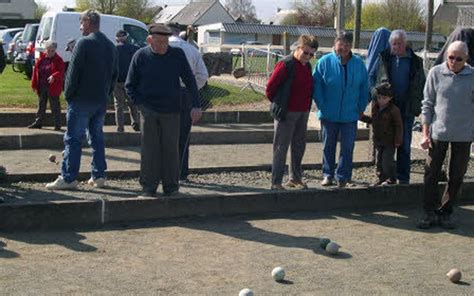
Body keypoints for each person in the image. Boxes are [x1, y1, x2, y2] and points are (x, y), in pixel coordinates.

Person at [125, 23, 202, 197]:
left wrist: (196, 105)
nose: (163, 46)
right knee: (149, 150)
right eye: (159, 42)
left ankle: (171, 187)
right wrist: (141, 106)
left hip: (172, 109)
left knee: (171, 149)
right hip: (148, 110)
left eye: (166, 42)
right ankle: (148, 187)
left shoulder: (177, 54)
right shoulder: (140, 56)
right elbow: (130, 85)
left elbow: (190, 81)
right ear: (149, 40)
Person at [46, 10, 118, 190]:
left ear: (87, 22)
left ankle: (69, 177)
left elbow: (73, 73)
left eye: (81, 23)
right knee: (97, 138)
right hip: (100, 100)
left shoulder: (83, 43)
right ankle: (99, 175)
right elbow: (114, 74)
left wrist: (69, 95)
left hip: (81, 99)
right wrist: (106, 94)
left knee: (73, 139)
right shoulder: (110, 45)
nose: (80, 27)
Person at [418, 41, 474, 229]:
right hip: (438, 133)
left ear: (466, 59)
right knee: (431, 173)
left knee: (457, 175)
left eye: (459, 59)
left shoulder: (472, 76)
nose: (454, 61)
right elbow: (427, 104)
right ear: (446, 56)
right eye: (451, 57)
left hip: (464, 135)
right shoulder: (436, 73)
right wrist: (425, 134)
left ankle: (446, 211)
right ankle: (429, 212)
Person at [313, 31, 369, 188]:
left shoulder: (358, 64)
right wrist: (322, 105)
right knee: (327, 145)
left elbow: (365, 87)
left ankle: (343, 176)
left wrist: (360, 107)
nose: (343, 47)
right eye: (340, 44)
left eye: (347, 44)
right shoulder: (324, 62)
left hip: (350, 114)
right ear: (335, 44)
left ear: (351, 46)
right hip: (328, 113)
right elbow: (316, 85)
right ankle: (327, 174)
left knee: (348, 147)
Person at [373, 29, 425, 184]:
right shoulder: (384, 58)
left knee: (404, 144)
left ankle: (403, 177)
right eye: (393, 44)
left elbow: (421, 85)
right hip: (387, 108)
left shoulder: (415, 61)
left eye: (399, 44)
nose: (396, 47)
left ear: (405, 43)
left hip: (406, 108)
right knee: (385, 144)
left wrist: (417, 105)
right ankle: (386, 175)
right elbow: (377, 79)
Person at [266, 34, 318, 190]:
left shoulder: (307, 66)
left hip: (303, 112)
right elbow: (270, 88)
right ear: (298, 48)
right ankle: (276, 182)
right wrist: (280, 104)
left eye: (311, 54)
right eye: (306, 52)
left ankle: (295, 177)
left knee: (299, 146)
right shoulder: (286, 64)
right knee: (281, 147)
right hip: (286, 112)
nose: (308, 56)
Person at [167, 22, 208, 182]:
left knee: (164, 134)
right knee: (183, 136)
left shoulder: (160, 47)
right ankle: (182, 173)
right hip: (185, 94)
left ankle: (165, 171)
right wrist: (192, 88)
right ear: (180, 32)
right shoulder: (192, 50)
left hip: (164, 94)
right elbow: (203, 75)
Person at [360, 82, 403, 186]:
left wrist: (398, 140)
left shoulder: (394, 110)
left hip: (389, 140)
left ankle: (391, 178)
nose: (381, 100)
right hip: (378, 139)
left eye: (384, 98)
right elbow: (372, 120)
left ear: (390, 98)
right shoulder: (375, 108)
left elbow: (399, 126)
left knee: (387, 160)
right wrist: (362, 117)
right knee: (379, 160)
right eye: (379, 98)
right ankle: (381, 177)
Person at [29, 41, 65, 131]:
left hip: (53, 86)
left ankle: (57, 124)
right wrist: (34, 84)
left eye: (52, 51)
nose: (50, 52)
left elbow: (61, 72)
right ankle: (38, 122)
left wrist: (54, 76)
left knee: (55, 106)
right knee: (41, 105)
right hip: (42, 85)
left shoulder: (58, 59)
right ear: (45, 50)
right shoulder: (41, 59)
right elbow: (36, 72)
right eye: (48, 50)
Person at [113, 30, 140, 132]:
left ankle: (120, 127)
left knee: (118, 105)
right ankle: (136, 122)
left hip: (117, 80)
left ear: (117, 38)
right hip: (130, 80)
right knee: (132, 103)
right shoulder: (135, 48)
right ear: (126, 37)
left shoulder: (114, 49)